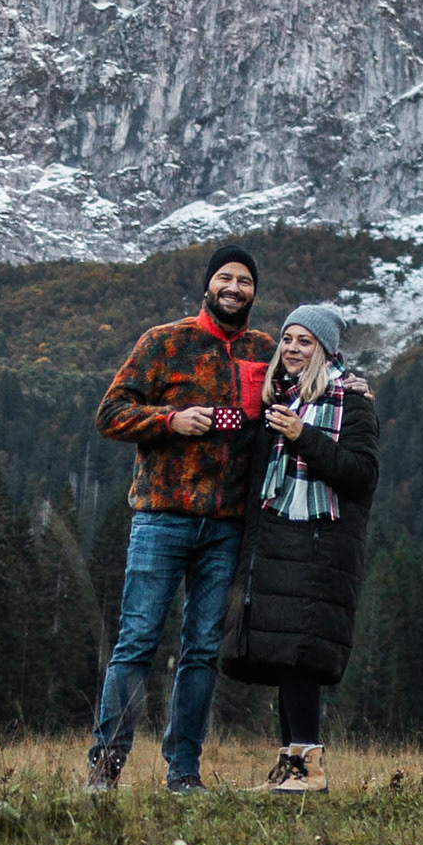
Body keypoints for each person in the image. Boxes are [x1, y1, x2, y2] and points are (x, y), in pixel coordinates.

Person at [85, 245, 277, 792]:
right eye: (225, 277)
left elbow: (310, 388)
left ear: (253, 291)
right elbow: (109, 414)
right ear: (208, 284)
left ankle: (184, 773)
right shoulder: (163, 342)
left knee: (201, 652)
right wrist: (171, 420)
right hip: (162, 518)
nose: (234, 287)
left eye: (245, 280)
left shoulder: (264, 350)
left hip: (227, 526)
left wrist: (352, 389)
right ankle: (105, 768)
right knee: (137, 642)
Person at [222, 302, 379, 793]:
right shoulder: (278, 398)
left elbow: (361, 474)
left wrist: (303, 436)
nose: (291, 349)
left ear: (324, 350)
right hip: (276, 542)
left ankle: (310, 768)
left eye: (304, 341)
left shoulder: (351, 403)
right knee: (283, 655)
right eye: (287, 339)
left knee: (300, 655)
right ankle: (292, 766)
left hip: (318, 546)